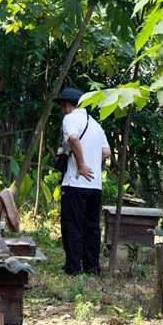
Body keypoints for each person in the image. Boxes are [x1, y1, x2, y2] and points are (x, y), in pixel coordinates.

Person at [54, 88, 111, 276]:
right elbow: (106, 152)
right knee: (92, 227)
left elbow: (73, 138)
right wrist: (91, 163)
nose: (61, 109)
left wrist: (81, 164)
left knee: (72, 225)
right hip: (94, 185)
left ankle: (73, 269)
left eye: (61, 105)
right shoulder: (95, 124)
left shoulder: (70, 119)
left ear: (67, 104)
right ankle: (92, 268)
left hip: (75, 183)